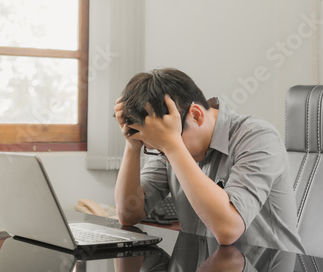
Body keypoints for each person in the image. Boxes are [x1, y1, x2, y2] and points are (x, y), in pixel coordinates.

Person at [113, 68, 305, 253]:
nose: (165, 156)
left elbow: (228, 230)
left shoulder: (258, 137)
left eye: (165, 146)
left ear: (196, 115)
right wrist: (132, 146)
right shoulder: (168, 148)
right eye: (158, 149)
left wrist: (171, 146)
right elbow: (129, 214)